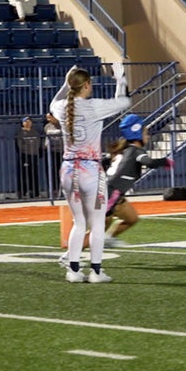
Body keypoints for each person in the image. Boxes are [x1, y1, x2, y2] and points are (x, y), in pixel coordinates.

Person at [50, 63, 129, 283]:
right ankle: (96, 271)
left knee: (78, 222)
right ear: (86, 85)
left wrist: (66, 83)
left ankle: (74, 271)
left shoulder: (62, 106)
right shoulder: (94, 106)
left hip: (68, 169)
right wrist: (120, 80)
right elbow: (124, 102)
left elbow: (53, 103)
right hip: (91, 170)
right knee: (96, 223)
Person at [103, 114, 174, 244]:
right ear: (136, 133)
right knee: (96, 232)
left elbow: (103, 163)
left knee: (132, 219)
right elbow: (150, 162)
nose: (148, 136)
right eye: (145, 133)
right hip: (111, 194)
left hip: (115, 194)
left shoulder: (123, 150)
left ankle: (108, 238)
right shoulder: (136, 151)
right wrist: (165, 161)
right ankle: (70, 256)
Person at [15, 116, 42, 199]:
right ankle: (22, 193)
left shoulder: (35, 132)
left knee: (34, 174)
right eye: (26, 121)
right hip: (24, 155)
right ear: (22, 123)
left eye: (29, 121)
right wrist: (26, 151)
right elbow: (19, 145)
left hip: (34, 155)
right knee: (23, 174)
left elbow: (38, 143)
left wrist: (35, 151)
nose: (28, 123)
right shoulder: (20, 133)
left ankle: (35, 193)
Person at [44, 112, 63, 198]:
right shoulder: (47, 126)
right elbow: (46, 138)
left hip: (62, 151)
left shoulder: (62, 125)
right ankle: (53, 191)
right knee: (52, 172)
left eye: (49, 117)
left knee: (63, 172)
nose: (48, 119)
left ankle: (63, 191)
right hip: (51, 152)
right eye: (47, 118)